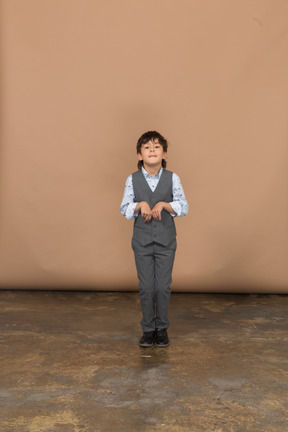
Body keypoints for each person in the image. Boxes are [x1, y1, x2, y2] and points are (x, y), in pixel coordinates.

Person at [120, 131, 188, 347]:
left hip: (166, 241)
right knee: (147, 287)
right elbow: (124, 208)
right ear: (140, 155)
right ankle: (148, 330)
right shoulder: (132, 179)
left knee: (163, 287)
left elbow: (183, 206)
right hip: (142, 242)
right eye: (147, 147)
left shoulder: (172, 178)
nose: (152, 150)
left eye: (157, 146)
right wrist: (140, 205)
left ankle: (162, 328)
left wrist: (165, 205)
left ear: (164, 153)